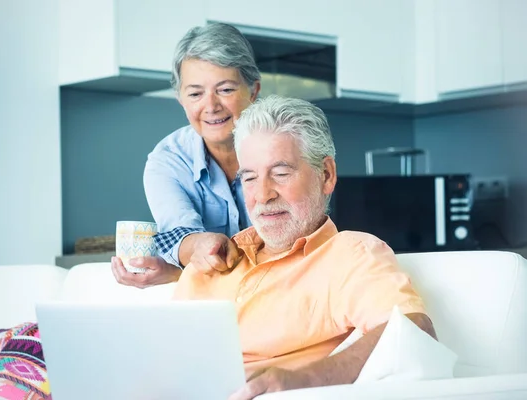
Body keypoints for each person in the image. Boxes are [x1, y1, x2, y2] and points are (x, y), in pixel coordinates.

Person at [173, 95, 436, 400]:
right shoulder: (209, 262)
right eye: (250, 178)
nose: (263, 194)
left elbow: (414, 331)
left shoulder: (351, 255)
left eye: (281, 173)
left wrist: (302, 380)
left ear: (326, 175)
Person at [111, 22, 261, 289]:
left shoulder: (282, 147)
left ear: (253, 91)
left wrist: (178, 274)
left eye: (225, 89)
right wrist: (201, 247)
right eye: (195, 93)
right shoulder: (167, 161)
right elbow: (178, 233)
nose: (211, 106)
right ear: (181, 99)